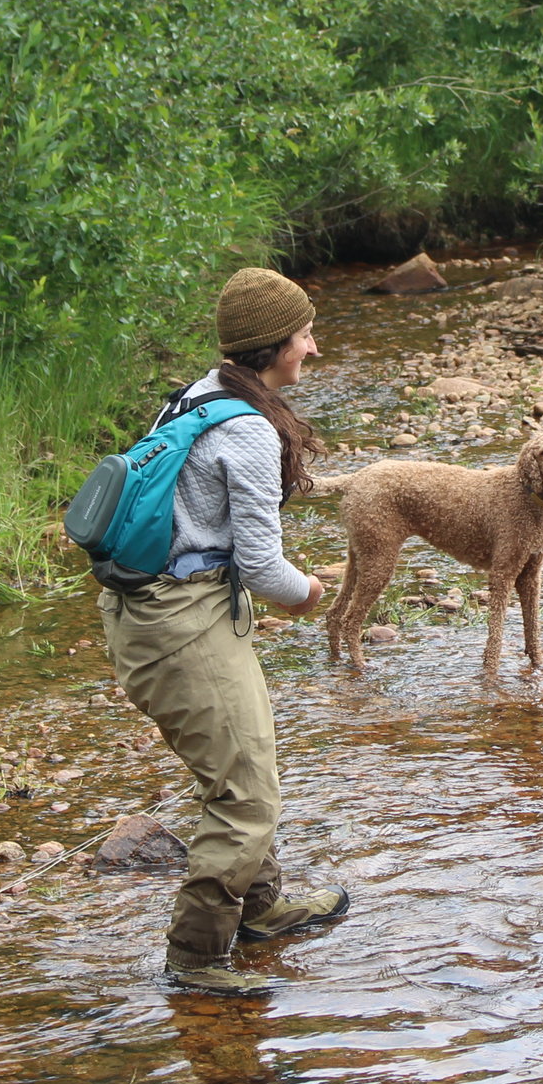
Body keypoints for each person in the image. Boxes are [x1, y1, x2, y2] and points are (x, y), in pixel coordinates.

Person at [100, 267, 349, 995]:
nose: (314, 346)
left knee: (249, 765)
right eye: (305, 333)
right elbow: (265, 568)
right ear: (274, 345)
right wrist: (307, 592)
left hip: (154, 611)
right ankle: (197, 958)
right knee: (244, 793)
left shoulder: (198, 394)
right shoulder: (244, 428)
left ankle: (261, 907)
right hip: (181, 621)